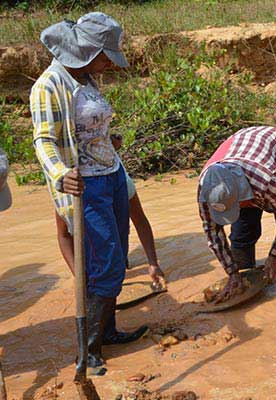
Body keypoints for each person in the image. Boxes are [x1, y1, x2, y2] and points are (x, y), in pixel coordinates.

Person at [30, 12, 148, 375]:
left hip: (110, 174)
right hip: (85, 186)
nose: (108, 64)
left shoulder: (86, 77)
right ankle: (90, 350)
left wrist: (106, 142)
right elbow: (44, 141)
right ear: (89, 50)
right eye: (105, 56)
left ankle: (108, 332)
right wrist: (61, 174)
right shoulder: (49, 85)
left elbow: (84, 129)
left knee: (117, 255)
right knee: (104, 262)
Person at [197, 126, 276, 301]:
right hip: (244, 156)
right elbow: (212, 232)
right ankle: (242, 279)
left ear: (242, 193)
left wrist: (274, 256)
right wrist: (232, 272)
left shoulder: (268, 179)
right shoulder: (206, 189)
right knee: (242, 233)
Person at [54, 134, 167, 289]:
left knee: (117, 258)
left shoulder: (122, 186)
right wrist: (79, 277)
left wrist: (153, 263)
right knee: (97, 266)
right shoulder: (67, 191)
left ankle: (119, 259)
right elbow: (64, 235)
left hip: (107, 169)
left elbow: (140, 221)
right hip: (79, 176)